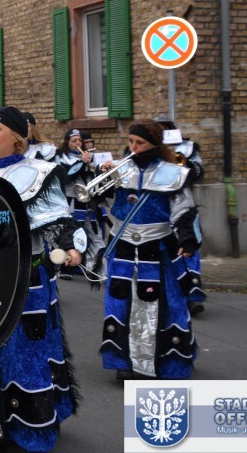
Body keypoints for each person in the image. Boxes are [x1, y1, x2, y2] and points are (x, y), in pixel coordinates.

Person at [0, 106, 84, 452]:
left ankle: (30, 429)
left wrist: (70, 246)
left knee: (26, 353)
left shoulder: (39, 173)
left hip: (26, 278)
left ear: (16, 137)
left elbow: (61, 219)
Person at [97, 120, 200, 382]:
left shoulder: (173, 172)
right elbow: (100, 200)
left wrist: (187, 239)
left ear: (154, 144)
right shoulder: (119, 170)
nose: (133, 147)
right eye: (131, 141)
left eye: (140, 142)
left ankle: (167, 362)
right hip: (123, 245)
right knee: (120, 302)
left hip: (158, 246)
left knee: (167, 303)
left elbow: (184, 209)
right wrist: (101, 176)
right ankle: (124, 363)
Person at [153, 114, 206, 316]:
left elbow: (198, 172)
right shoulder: (146, 148)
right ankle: (170, 296)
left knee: (188, 247)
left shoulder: (188, 147)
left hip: (182, 203)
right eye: (158, 129)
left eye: (165, 128)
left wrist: (179, 158)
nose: (162, 132)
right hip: (158, 205)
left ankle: (193, 295)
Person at [57, 128, 103, 270]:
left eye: (79, 140)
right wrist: (82, 164)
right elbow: (67, 176)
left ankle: (96, 266)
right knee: (72, 233)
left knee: (95, 233)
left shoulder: (89, 157)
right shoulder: (61, 157)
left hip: (89, 201)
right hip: (71, 201)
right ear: (67, 142)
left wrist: (97, 168)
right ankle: (67, 267)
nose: (78, 143)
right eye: (74, 141)